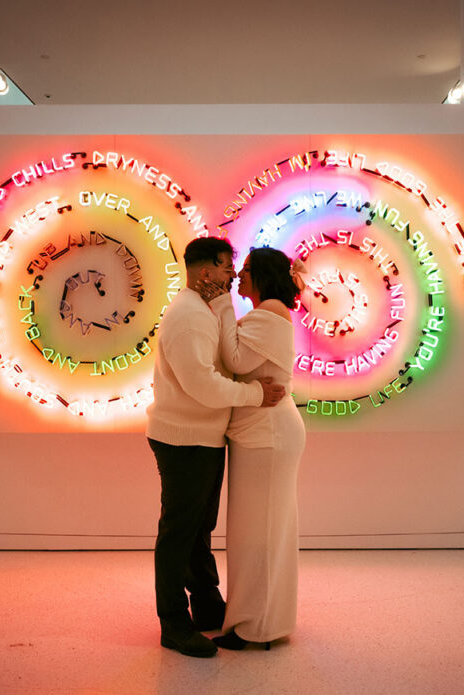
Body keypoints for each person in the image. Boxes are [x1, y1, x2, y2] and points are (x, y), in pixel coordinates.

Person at [146, 237, 287, 659]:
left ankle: (207, 606)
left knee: (198, 530)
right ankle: (173, 623)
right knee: (179, 533)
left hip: (202, 437)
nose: (232, 275)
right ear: (206, 270)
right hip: (183, 439)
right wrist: (254, 396)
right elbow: (203, 384)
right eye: (227, 267)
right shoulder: (189, 316)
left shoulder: (203, 310)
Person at [198, 247, 306, 651]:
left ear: (261, 275)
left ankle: (253, 627)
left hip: (268, 436)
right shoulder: (271, 312)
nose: (237, 278)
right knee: (262, 531)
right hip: (263, 434)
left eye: (244, 271)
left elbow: (237, 359)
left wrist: (223, 306)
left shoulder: (269, 312)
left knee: (256, 533)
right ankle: (261, 621)